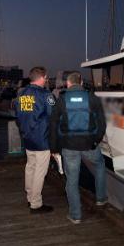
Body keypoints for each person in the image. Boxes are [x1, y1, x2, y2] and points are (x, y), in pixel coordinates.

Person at [49, 72, 107, 224]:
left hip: (69, 146)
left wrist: (54, 148)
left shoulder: (61, 100)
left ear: (68, 83)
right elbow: (102, 124)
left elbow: (53, 125)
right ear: (81, 82)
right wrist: (96, 141)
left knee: (72, 181)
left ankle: (76, 215)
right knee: (100, 165)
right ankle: (101, 198)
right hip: (89, 144)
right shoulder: (92, 98)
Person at [14, 66, 56, 214]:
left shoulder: (21, 93)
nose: (47, 80)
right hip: (42, 139)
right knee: (39, 171)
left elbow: (18, 117)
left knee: (30, 167)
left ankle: (30, 196)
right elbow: (54, 116)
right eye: (46, 78)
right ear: (42, 77)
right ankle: (36, 204)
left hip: (27, 138)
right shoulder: (46, 95)